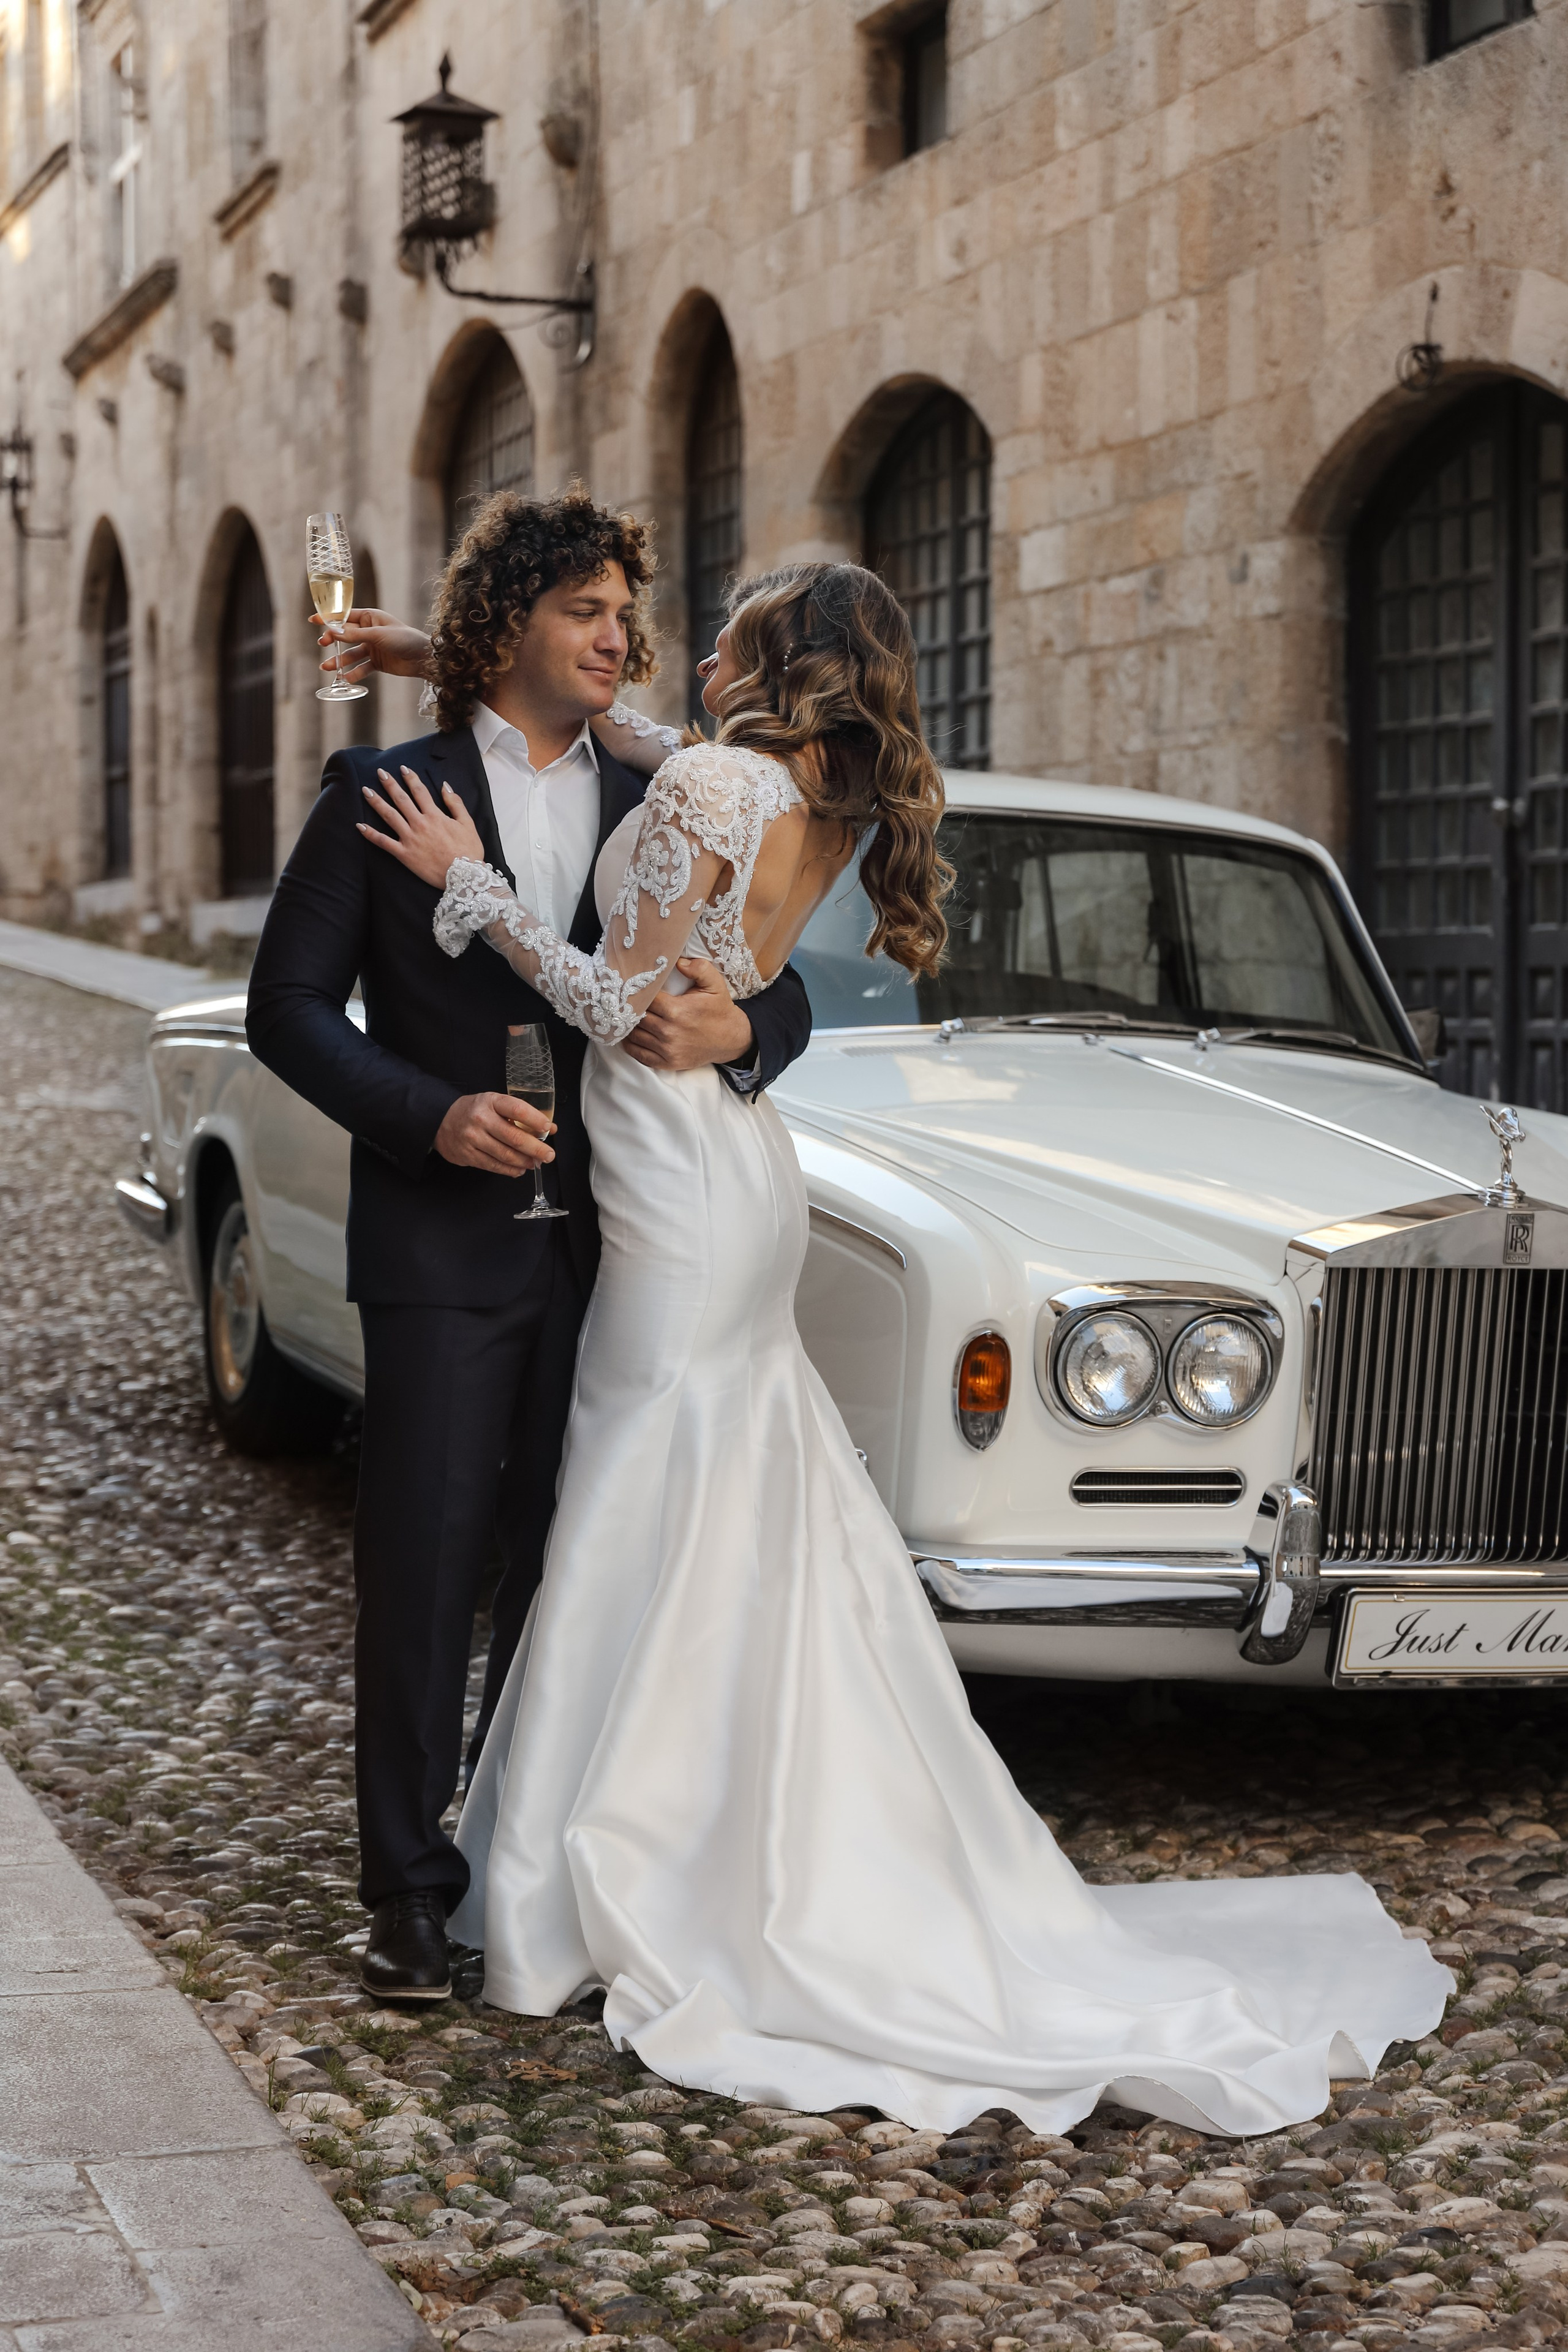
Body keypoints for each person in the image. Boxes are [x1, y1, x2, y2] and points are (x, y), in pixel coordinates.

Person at [355, 556, 1450, 2135]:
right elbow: (650, 761)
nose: (693, 643)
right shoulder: (819, 789)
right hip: (733, 1169)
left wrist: (471, 882)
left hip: (673, 1168)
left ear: (770, 654)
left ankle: (606, 1872)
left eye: (729, 624)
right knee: (714, 1486)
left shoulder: (719, 783)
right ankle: (696, 1833)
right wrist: (433, 653)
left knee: (640, 1482)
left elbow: (623, 1009)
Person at [244, 490, 813, 2002]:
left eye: (626, 614)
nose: (619, 638)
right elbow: (285, 1010)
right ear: (507, 624)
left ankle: (543, 1871)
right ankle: (406, 1889)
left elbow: (778, 978)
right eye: (585, 611)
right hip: (443, 1246)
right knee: (425, 1564)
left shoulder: (667, 784)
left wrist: (746, 1029)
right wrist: (428, 1118)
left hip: (631, 1243)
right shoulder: (382, 790)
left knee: (581, 1568)